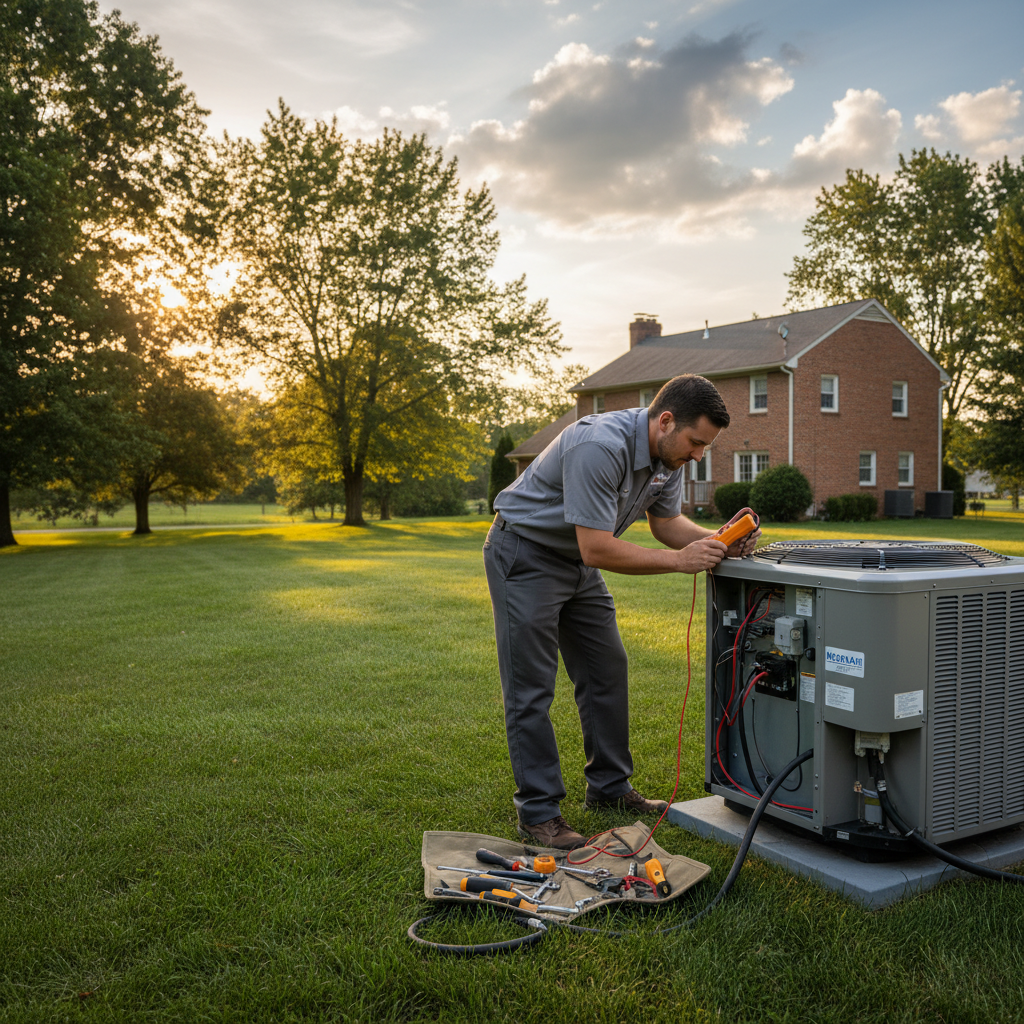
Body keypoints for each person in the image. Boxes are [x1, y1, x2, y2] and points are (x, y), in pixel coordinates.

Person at [483, 374, 760, 849]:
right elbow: (596, 548)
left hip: (575, 563)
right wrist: (680, 563)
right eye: (695, 443)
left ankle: (609, 789)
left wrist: (716, 542)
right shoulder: (599, 445)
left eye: (705, 448)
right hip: (525, 555)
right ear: (665, 420)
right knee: (531, 687)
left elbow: (668, 524)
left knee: (606, 667)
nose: (697, 456)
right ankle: (539, 813)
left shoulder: (669, 456)